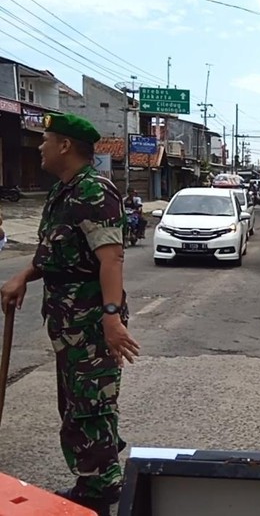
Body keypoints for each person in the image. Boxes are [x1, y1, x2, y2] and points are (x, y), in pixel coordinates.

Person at [0, 113, 140, 515]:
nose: (40, 147)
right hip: (67, 323)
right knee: (78, 405)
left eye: (45, 140)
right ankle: (96, 468)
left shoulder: (95, 192)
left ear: (64, 146)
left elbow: (110, 259)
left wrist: (111, 317)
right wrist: (23, 275)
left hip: (91, 322)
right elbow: (56, 253)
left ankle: (100, 492)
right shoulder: (64, 191)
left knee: (90, 406)